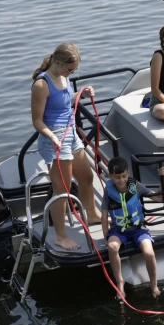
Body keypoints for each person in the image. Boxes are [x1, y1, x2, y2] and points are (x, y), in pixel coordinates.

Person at [31, 42, 101, 251]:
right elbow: (37, 121)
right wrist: (52, 137)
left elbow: (65, 100)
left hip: (71, 134)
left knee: (86, 177)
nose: (72, 73)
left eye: (74, 70)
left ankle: (92, 215)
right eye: (70, 69)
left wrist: (82, 95)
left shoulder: (63, 76)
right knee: (62, 189)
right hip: (54, 137)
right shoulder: (41, 85)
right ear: (58, 63)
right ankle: (61, 236)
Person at [100, 156, 164, 298]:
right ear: (110, 176)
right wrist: (106, 236)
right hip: (118, 230)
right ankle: (120, 283)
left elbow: (159, 198)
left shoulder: (136, 186)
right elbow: (104, 216)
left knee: (149, 253)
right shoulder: (108, 191)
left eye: (124, 176)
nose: (121, 180)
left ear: (128, 173)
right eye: (117, 177)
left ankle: (154, 285)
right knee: (112, 247)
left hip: (138, 229)